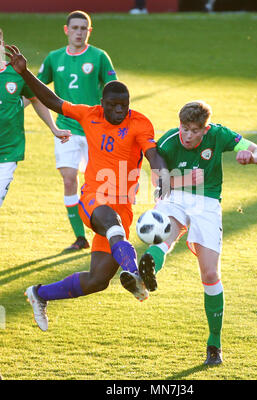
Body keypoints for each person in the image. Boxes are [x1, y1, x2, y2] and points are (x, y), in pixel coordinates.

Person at [5, 43, 170, 332]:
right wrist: (25, 73)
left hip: (123, 205)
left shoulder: (140, 122)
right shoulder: (88, 114)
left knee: (98, 281)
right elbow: (54, 100)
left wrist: (162, 173)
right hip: (93, 199)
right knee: (112, 223)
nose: (119, 111)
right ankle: (134, 273)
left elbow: (152, 152)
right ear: (102, 103)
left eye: (124, 106)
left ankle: (38, 294)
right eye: (113, 106)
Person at [137, 100, 257, 366]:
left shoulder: (219, 135)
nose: (187, 135)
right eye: (183, 128)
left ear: (205, 129)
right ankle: (147, 269)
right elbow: (157, 179)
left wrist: (251, 157)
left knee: (210, 274)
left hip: (207, 202)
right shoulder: (168, 143)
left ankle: (214, 343)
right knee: (166, 234)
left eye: (194, 130)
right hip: (174, 197)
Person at [37, 10, 118, 251]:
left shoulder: (99, 57)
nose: (79, 33)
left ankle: (105, 232)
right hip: (67, 130)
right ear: (66, 30)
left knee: (100, 183)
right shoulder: (54, 58)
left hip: (95, 130)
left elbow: (114, 89)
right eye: (75, 28)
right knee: (69, 179)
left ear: (89, 31)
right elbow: (38, 90)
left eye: (84, 28)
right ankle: (79, 237)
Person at [0, 28, 71, 208]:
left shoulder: (17, 74)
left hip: (7, 153)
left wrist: (54, 128)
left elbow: (36, 100)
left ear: (2, 45)